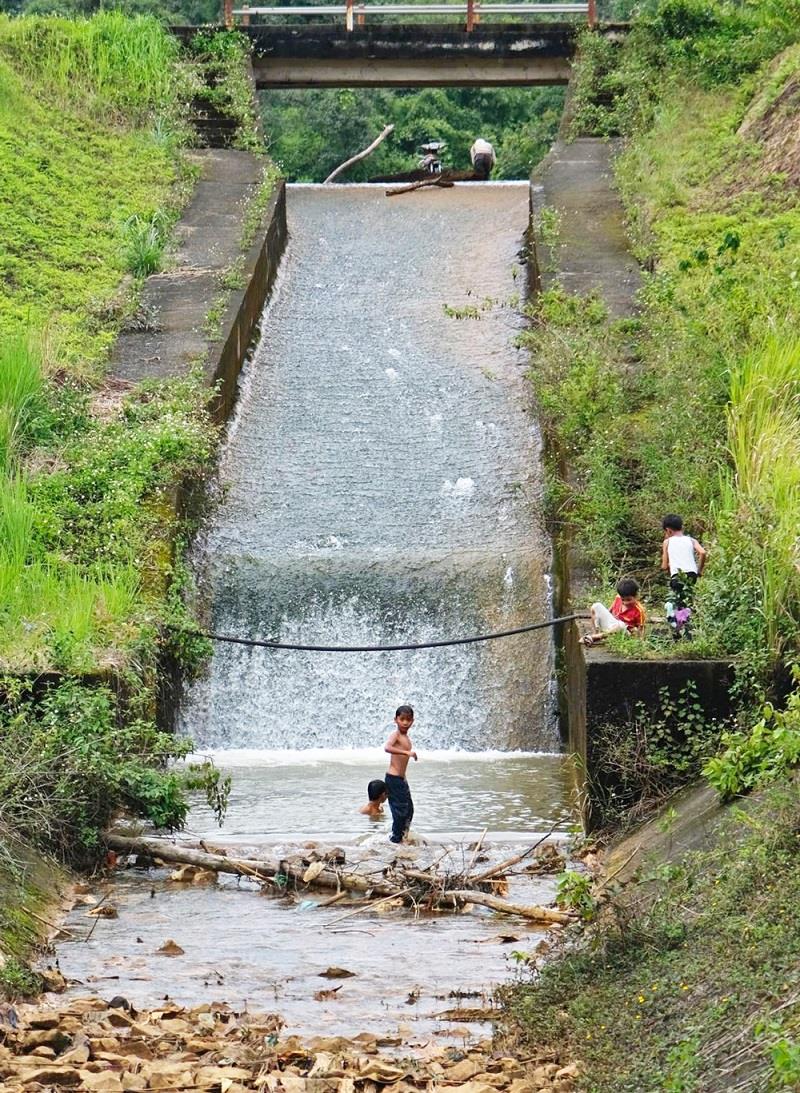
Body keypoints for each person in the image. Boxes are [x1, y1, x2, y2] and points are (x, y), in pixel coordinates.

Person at [661, 514, 707, 638]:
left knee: (677, 603)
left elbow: (664, 566)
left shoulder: (667, 542)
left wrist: (670, 564)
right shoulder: (691, 540)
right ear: (682, 527)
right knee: (685, 602)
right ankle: (685, 631)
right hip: (692, 575)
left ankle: (678, 631)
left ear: (668, 530)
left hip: (677, 576)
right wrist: (699, 570)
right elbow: (702, 552)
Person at [384, 704, 417, 844]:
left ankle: (403, 837)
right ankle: (395, 840)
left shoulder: (405, 737)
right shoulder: (395, 735)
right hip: (393, 778)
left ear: (412, 721)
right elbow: (387, 747)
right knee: (400, 812)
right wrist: (406, 753)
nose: (405, 722)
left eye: (408, 719)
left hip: (401, 779)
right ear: (395, 720)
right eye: (402, 719)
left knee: (409, 810)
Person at [584, 578, 646, 646]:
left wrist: (640, 642)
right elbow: (609, 611)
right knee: (596, 606)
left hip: (624, 632)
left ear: (636, 596)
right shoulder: (618, 598)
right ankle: (595, 634)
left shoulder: (639, 610)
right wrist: (600, 618)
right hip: (611, 626)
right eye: (623, 600)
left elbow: (641, 629)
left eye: (628, 600)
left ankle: (595, 637)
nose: (625, 603)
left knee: (621, 625)